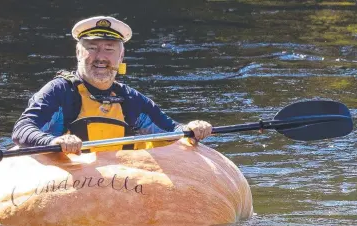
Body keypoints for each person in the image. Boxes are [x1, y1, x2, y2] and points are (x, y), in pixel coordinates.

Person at [12, 16, 212, 154]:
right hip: (65, 179)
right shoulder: (59, 92)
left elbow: (171, 131)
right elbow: (23, 129)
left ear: (121, 56)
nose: (100, 57)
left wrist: (191, 128)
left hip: (119, 184)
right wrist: (53, 141)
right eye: (92, 48)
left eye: (109, 49)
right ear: (78, 53)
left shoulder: (131, 99)